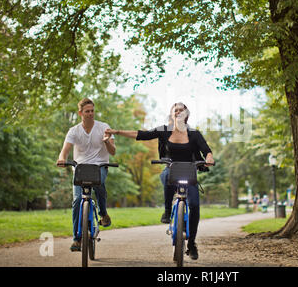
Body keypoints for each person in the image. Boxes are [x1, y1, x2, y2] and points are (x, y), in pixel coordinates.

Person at [105, 102, 214, 260]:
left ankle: (191, 244)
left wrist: (209, 158)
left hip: (189, 172)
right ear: (171, 114)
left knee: (195, 206)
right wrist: (117, 132)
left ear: (187, 114)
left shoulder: (194, 134)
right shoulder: (164, 131)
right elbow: (141, 135)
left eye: (181, 110)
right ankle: (168, 211)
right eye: (175, 110)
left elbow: (206, 151)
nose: (178, 112)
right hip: (171, 168)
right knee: (166, 175)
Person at [57, 98, 116, 252]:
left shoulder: (104, 127)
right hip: (80, 169)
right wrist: (62, 158)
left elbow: (113, 152)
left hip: (100, 166)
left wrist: (107, 142)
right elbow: (65, 149)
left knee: (100, 185)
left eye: (92, 111)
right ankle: (76, 239)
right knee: (77, 201)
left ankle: (103, 214)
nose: (90, 114)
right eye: (87, 111)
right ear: (80, 113)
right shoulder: (74, 131)